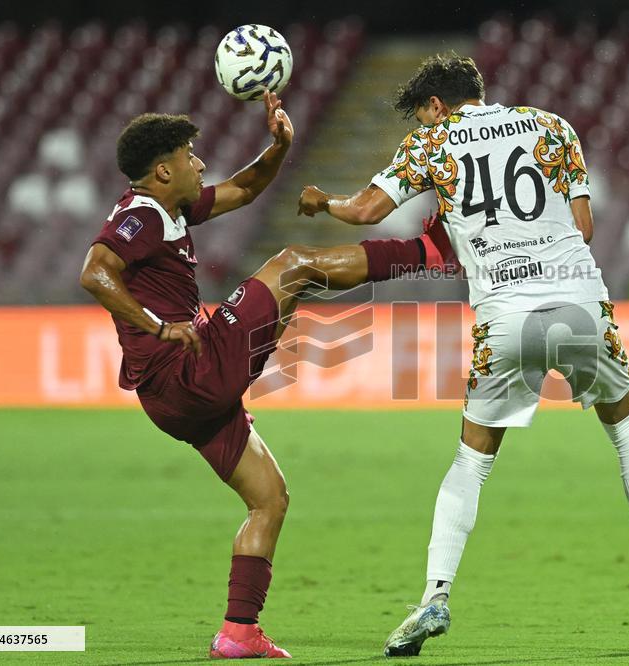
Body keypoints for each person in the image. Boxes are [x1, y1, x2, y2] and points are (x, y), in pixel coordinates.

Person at [297, 53, 629, 657]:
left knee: (471, 460)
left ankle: (434, 597)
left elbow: (367, 212)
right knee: (626, 423)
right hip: (579, 300)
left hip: (505, 314)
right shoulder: (552, 126)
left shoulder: (433, 141)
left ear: (435, 105)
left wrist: (325, 203)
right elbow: (582, 225)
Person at [80, 92, 453, 660]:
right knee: (293, 265)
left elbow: (246, 187)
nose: (200, 164)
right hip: (187, 369)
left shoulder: (170, 208)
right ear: (162, 170)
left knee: (270, 499)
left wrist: (278, 147)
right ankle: (429, 252)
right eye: (188, 156)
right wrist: (157, 326)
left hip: (173, 401)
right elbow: (94, 272)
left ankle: (239, 633)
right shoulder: (140, 215)